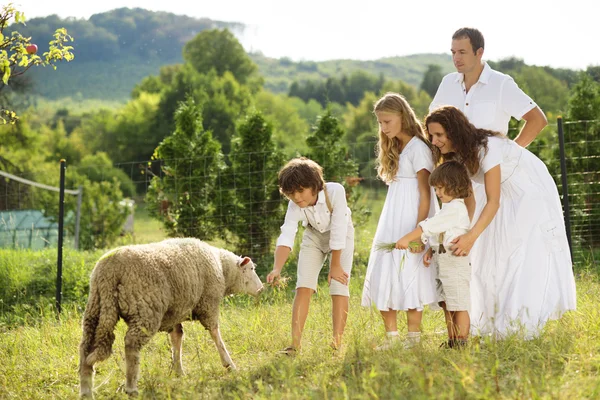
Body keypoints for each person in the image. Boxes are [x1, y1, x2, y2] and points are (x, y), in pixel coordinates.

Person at [425, 106, 577, 339]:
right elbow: (470, 199)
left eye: (439, 135)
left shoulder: (487, 148)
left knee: (517, 251)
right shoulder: (457, 156)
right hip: (499, 194)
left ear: (454, 132)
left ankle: (522, 319)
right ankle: (493, 316)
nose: (434, 141)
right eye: (431, 135)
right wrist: (463, 234)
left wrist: (472, 237)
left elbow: (493, 201)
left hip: (526, 190)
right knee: (488, 255)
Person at [361, 92, 439, 350]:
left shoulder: (418, 148)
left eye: (387, 122)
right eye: (380, 123)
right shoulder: (396, 146)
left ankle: (414, 339)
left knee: (410, 272)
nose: (383, 128)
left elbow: (425, 195)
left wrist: (418, 233)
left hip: (412, 216)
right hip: (392, 216)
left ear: (402, 116)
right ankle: (392, 337)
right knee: (387, 269)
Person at [267, 157, 354, 354]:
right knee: (303, 286)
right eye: (290, 193)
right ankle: (294, 345)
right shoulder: (295, 204)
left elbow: (339, 228)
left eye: (300, 190)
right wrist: (277, 268)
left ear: (314, 185)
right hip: (313, 235)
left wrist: (336, 265)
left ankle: (337, 343)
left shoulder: (335, 191)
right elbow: (287, 233)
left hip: (341, 236)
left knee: (338, 285)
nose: (296, 197)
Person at [395, 161, 472, 348]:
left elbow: (429, 226)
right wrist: (432, 248)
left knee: (458, 303)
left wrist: (408, 238)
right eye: (436, 189)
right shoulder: (447, 208)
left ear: (453, 185)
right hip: (443, 259)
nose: (437, 193)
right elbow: (440, 232)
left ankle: (461, 342)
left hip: (454, 262)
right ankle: (452, 338)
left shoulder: (455, 208)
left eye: (439, 188)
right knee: (447, 302)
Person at [429, 27, 548, 148]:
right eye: (453, 52)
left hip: (491, 166)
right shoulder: (447, 83)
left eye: (462, 52)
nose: (456, 58)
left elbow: (537, 120)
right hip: (454, 165)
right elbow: (432, 124)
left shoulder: (501, 84)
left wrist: (510, 153)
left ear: (479, 52)